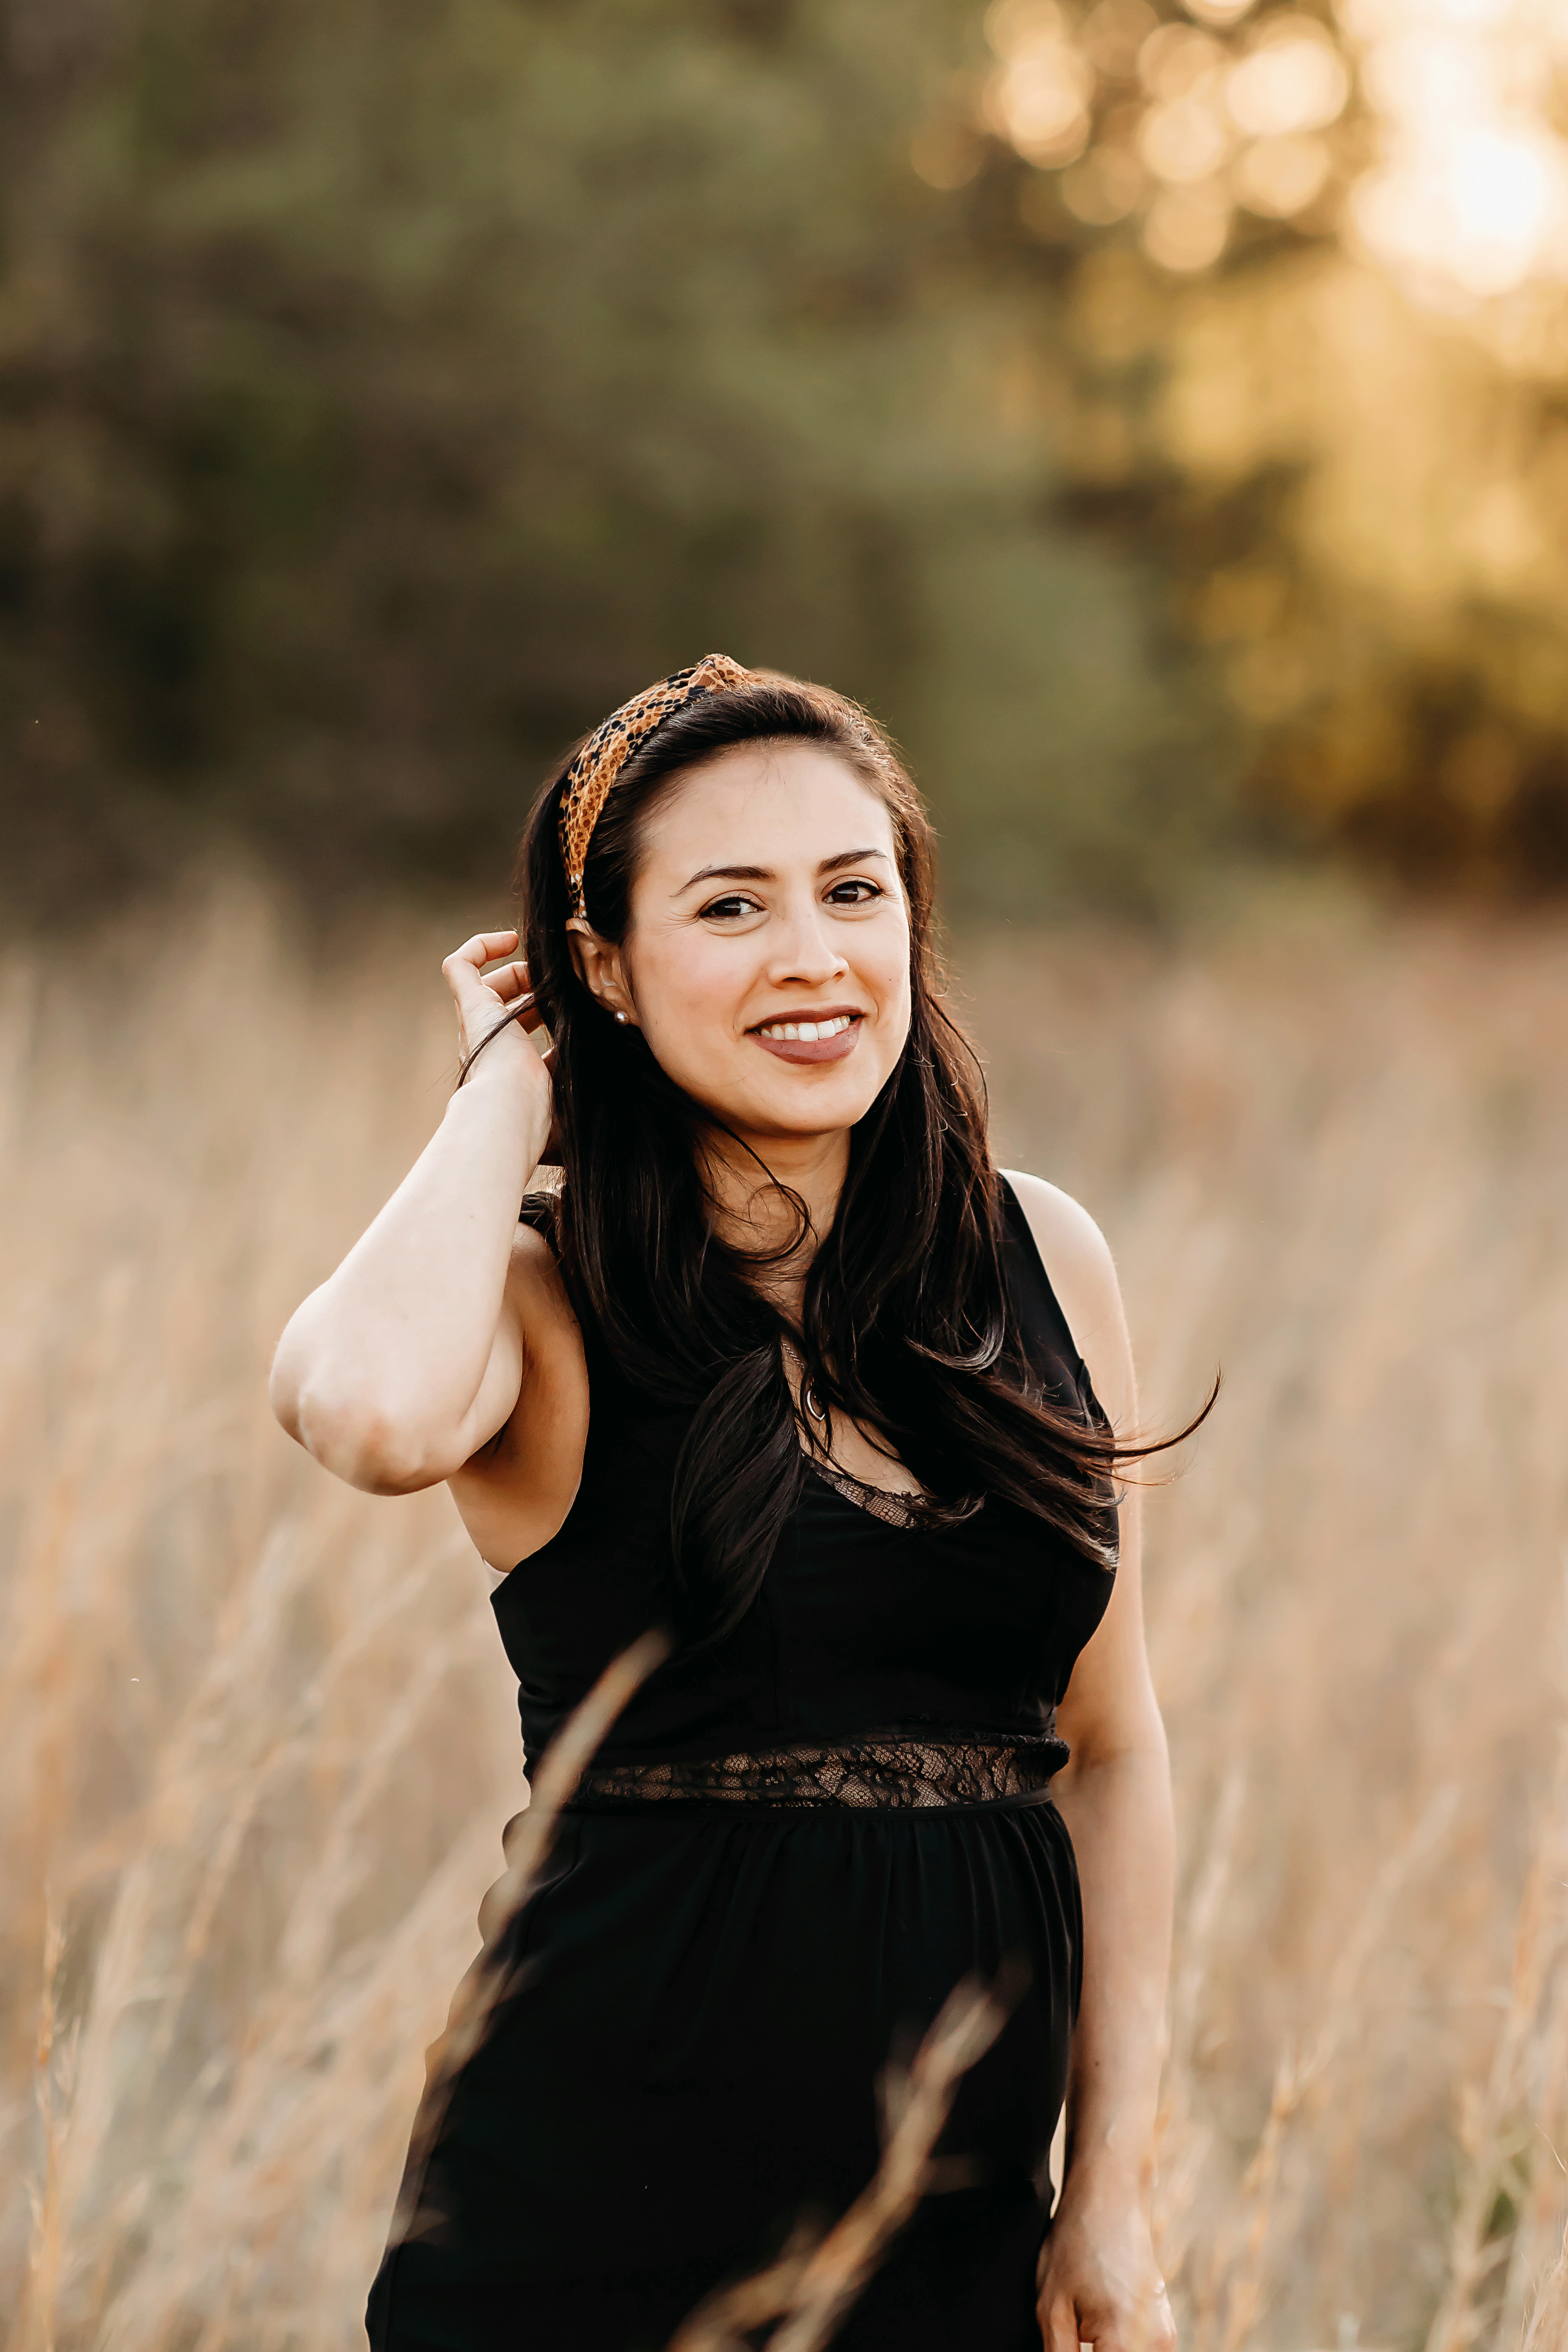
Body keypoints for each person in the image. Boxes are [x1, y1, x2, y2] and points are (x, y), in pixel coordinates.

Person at [270, 658, 1183, 2352]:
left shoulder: (1042, 1260)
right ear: (602, 970)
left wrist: (1111, 2194)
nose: (813, 956)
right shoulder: (543, 1299)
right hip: (590, 2232)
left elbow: (1112, 1749)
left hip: (961, 2232)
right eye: (729, 907)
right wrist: (501, 1093)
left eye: (854, 890)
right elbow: (371, 1410)